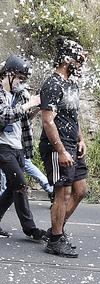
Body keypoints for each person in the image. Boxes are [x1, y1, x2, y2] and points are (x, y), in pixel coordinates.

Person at [39, 38, 89, 258]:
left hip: (72, 144)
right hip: (56, 146)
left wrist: (81, 139)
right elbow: (48, 121)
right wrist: (61, 151)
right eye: (78, 60)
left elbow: (72, 116)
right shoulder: (52, 84)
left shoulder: (71, 84)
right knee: (64, 191)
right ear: (67, 59)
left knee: (80, 190)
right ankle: (56, 240)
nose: (80, 64)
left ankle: (54, 231)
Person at [0, 55, 46, 240]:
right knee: (20, 184)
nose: (20, 82)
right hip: (2, 147)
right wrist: (29, 104)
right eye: (19, 78)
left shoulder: (19, 95)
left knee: (12, 187)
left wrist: (37, 107)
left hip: (18, 147)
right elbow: (4, 116)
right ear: (8, 74)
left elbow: (24, 120)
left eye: (23, 79)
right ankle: (31, 229)